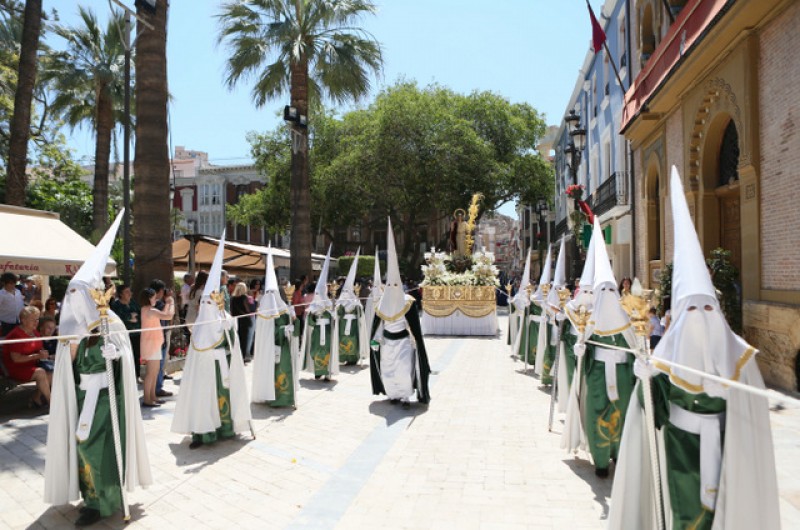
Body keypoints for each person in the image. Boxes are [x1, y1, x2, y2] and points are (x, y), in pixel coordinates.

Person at [609, 166, 780, 530]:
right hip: (678, 447)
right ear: (678, 315)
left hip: (728, 451)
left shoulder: (742, 357)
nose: (700, 317)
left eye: (708, 308)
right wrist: (646, 380)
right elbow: (649, 413)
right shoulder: (664, 357)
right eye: (691, 309)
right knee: (681, 516)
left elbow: (755, 419)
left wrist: (732, 395)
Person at [44, 210, 151, 527]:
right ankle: (92, 497)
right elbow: (69, 368)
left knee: (96, 447)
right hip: (82, 396)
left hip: (107, 398)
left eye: (79, 294)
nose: (74, 300)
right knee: (84, 448)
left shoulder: (111, 324)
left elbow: (125, 359)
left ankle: (102, 502)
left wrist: (115, 353)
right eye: (71, 294)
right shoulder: (72, 330)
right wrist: (72, 349)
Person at [172, 230, 251, 449]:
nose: (205, 307)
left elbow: (233, 345)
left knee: (222, 399)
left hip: (221, 368)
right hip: (202, 372)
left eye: (210, 303)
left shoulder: (226, 319)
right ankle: (202, 434)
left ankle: (226, 429)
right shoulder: (198, 326)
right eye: (203, 303)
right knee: (203, 402)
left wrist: (229, 329)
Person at [580, 217, 636, 478]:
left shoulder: (629, 321)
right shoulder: (592, 320)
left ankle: (620, 453)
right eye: (602, 290)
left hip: (623, 372)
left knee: (622, 413)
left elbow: (637, 346)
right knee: (598, 413)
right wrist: (582, 349)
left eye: (611, 290)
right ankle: (601, 460)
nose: (608, 295)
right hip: (599, 372)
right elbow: (584, 342)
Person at [370, 219, 431, 410]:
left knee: (404, 371)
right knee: (388, 371)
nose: (393, 288)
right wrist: (374, 342)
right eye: (390, 285)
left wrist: (416, 344)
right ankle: (393, 395)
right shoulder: (381, 303)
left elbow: (414, 326)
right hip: (387, 343)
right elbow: (378, 326)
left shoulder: (408, 302)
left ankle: (405, 397)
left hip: (404, 343)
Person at [252, 249, 301, 408]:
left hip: (285, 348)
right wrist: (283, 330)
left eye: (274, 293)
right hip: (268, 350)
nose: (272, 296)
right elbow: (264, 334)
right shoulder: (263, 314)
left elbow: (295, 329)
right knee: (270, 372)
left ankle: (285, 398)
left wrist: (293, 321)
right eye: (269, 293)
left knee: (284, 372)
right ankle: (269, 396)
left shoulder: (285, 310)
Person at [302, 247, 339, 381]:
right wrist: (313, 316)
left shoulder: (330, 304)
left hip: (328, 332)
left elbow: (335, 320)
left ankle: (327, 372)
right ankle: (318, 371)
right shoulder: (313, 306)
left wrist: (333, 315)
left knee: (327, 351)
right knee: (316, 351)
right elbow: (309, 320)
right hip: (317, 332)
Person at [3, 306, 51, 407]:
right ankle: (52, 404)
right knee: (40, 373)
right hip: (15, 368)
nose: (36, 322)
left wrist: (43, 354)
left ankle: (36, 398)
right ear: (23, 320)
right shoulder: (16, 335)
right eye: (33, 319)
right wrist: (37, 356)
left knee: (51, 374)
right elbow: (16, 359)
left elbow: (39, 348)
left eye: (37, 319)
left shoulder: (35, 332)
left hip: (32, 365)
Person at [139, 288, 174, 407]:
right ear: (149, 298)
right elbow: (168, 316)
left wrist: (167, 304)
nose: (156, 299)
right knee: (151, 373)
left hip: (153, 344)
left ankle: (152, 396)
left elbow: (163, 314)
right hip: (151, 345)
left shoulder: (148, 310)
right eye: (154, 297)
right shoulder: (150, 310)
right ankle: (147, 399)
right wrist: (170, 303)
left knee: (154, 372)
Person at [335, 250, 368, 366]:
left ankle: (353, 358)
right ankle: (343, 357)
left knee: (353, 340)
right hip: (343, 324)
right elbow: (337, 313)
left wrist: (357, 306)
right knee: (343, 341)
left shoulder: (355, 301)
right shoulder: (341, 301)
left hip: (353, 324)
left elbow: (360, 314)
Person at [149, 279, 173, 397]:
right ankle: (157, 389)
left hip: (153, 337)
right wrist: (170, 302)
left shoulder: (150, 303)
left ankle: (154, 390)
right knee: (158, 365)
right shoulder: (158, 304)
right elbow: (167, 316)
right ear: (160, 291)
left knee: (156, 366)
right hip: (158, 337)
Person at [110, 285, 141, 372]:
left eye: (130, 291)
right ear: (121, 294)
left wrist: (132, 318)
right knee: (126, 355)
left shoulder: (133, 303)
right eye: (127, 291)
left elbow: (140, 314)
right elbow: (117, 318)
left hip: (136, 333)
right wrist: (129, 316)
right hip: (123, 334)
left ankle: (137, 375)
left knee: (136, 355)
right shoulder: (116, 305)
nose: (129, 293)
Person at [230, 282, 255, 363]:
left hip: (236, 320)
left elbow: (232, 311)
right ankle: (243, 357)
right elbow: (248, 310)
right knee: (244, 340)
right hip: (245, 320)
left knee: (237, 339)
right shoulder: (244, 297)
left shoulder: (232, 298)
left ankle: (236, 357)